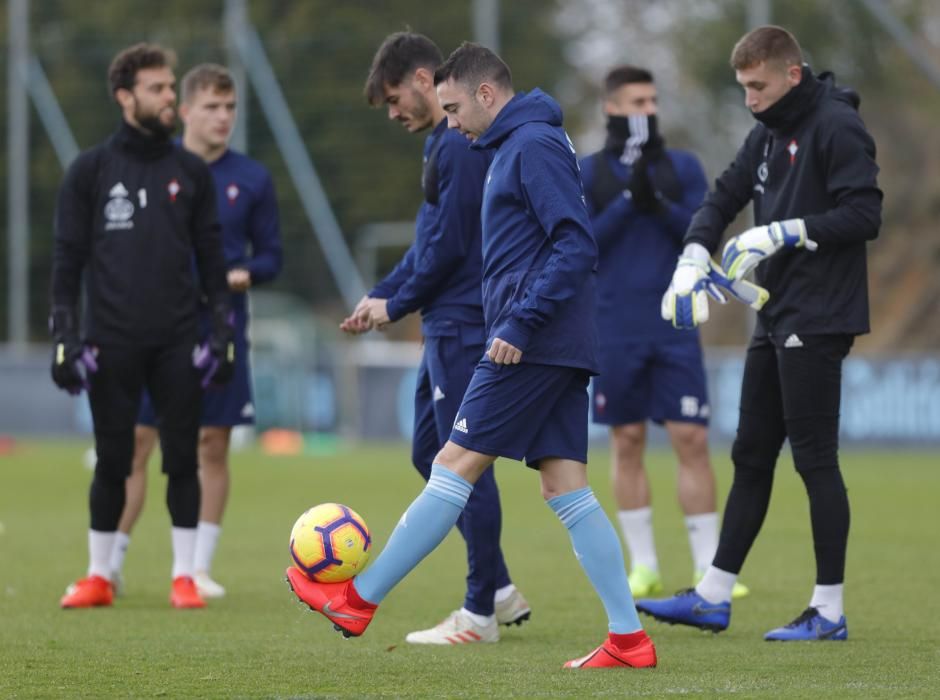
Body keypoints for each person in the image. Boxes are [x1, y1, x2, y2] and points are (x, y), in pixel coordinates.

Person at [287, 42, 657, 670]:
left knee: (452, 464)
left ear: (487, 94)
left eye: (455, 107)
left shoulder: (531, 146)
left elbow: (575, 243)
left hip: (528, 342)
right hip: (552, 339)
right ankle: (628, 639)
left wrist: (520, 320)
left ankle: (358, 600)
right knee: (565, 487)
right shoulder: (514, 145)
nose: (450, 121)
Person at [638, 25, 881, 641]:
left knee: (814, 460)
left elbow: (865, 213)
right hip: (774, 311)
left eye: (758, 85)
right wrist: (694, 251)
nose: (749, 97)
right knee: (750, 454)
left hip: (821, 314)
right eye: (743, 87)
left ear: (791, 75)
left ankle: (828, 611)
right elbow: (722, 197)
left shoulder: (836, 125)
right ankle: (713, 596)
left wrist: (786, 230)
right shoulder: (767, 133)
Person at [338, 32, 529, 644]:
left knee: (463, 463)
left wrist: (396, 303)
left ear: (425, 79)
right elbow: (429, 241)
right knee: (431, 451)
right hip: (445, 322)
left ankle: (479, 612)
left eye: (395, 99)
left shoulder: (459, 144)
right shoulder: (441, 147)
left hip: (467, 321)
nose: (393, 114)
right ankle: (497, 587)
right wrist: (380, 297)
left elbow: (451, 248)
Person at [51, 43, 234, 609]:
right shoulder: (90, 170)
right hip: (111, 342)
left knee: (181, 457)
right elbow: (67, 258)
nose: (167, 97)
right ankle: (99, 576)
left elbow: (211, 258)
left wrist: (222, 332)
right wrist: (64, 334)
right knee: (112, 459)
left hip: (178, 341)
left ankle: (184, 577)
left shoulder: (191, 172)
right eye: (156, 88)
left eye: (169, 87)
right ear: (125, 96)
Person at [106, 64, 284, 600]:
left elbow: (273, 255)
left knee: (212, 444)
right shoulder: (156, 169)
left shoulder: (251, 178)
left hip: (220, 328)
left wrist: (246, 273)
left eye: (230, 108)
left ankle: (197, 569)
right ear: (183, 111)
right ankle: (107, 564)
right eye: (211, 106)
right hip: (152, 326)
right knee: (136, 443)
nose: (223, 117)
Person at [579, 66, 749, 599]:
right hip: (614, 328)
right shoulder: (588, 173)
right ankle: (645, 564)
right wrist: (628, 201)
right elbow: (584, 246)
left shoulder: (682, 166)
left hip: (676, 325)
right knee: (626, 441)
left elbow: (703, 234)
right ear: (611, 108)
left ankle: (707, 568)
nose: (646, 110)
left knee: (691, 438)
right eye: (635, 101)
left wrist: (658, 199)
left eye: (652, 100)